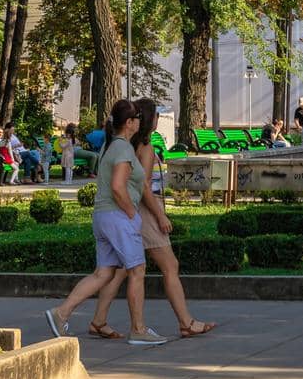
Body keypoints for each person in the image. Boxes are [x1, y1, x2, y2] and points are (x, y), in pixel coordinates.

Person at [89, 99, 216, 342]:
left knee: (120, 271)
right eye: (156, 115)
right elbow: (144, 186)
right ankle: (185, 322)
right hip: (143, 212)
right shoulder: (144, 147)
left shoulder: (125, 143)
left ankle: (98, 320)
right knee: (170, 266)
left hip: (128, 210)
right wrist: (160, 215)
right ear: (149, 120)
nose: (159, 119)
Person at [46, 99, 166, 346]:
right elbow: (118, 187)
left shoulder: (111, 146)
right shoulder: (122, 148)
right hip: (118, 217)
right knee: (137, 270)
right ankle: (139, 329)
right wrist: (132, 213)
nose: (140, 123)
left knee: (104, 273)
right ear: (130, 123)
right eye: (137, 119)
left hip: (103, 216)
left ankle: (61, 313)